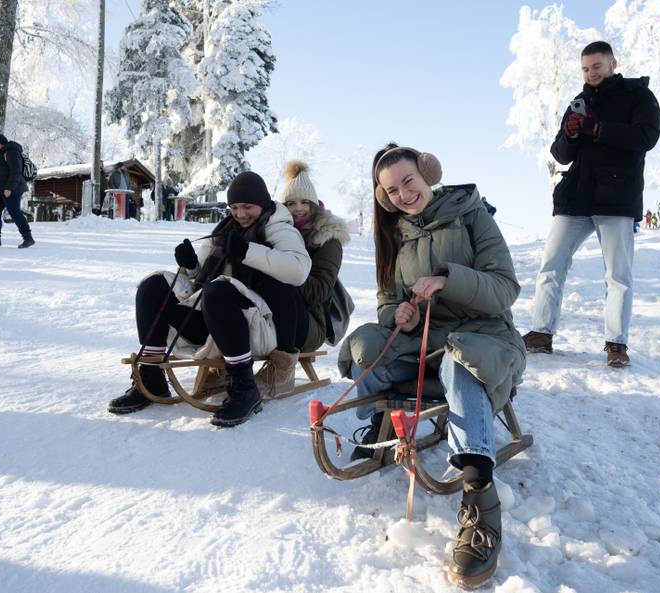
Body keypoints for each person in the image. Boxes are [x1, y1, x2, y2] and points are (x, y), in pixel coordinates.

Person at [338, 144, 526, 589]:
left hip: (483, 337)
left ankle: (480, 499)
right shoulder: (394, 236)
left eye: (409, 181)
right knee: (364, 342)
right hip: (424, 342)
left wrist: (448, 278)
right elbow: (388, 302)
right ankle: (386, 421)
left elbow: (505, 290)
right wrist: (398, 315)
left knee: (460, 361)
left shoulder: (471, 214)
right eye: (392, 190)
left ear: (427, 175)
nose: (404, 194)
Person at [107, 171, 311, 426]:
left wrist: (248, 251)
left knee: (219, 290)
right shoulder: (225, 230)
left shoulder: (279, 228)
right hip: (219, 320)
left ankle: (244, 387)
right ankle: (151, 378)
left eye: (248, 207)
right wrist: (191, 264)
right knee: (154, 286)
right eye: (234, 207)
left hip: (263, 326)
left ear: (263, 203)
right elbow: (198, 279)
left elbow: (298, 270)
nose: (240, 214)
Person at [522, 41, 660, 367]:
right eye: (585, 68)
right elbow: (560, 154)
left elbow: (646, 137)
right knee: (551, 266)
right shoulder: (579, 102)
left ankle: (616, 344)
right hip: (576, 197)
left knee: (618, 276)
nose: (591, 73)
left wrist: (598, 129)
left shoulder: (638, 95)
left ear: (612, 62)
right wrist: (571, 134)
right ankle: (541, 333)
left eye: (596, 66)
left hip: (617, 199)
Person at [279, 160, 350, 355]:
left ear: (314, 204)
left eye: (304, 202)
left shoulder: (328, 239)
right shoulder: (279, 233)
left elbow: (319, 291)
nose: (298, 209)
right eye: (291, 203)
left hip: (312, 320)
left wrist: (285, 266)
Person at [0, 134, 34, 249]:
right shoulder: (0, 154)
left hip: (12, 188)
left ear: (2, 143)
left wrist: (9, 188)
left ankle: (28, 238)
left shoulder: (11, 152)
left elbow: (16, 171)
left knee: (14, 212)